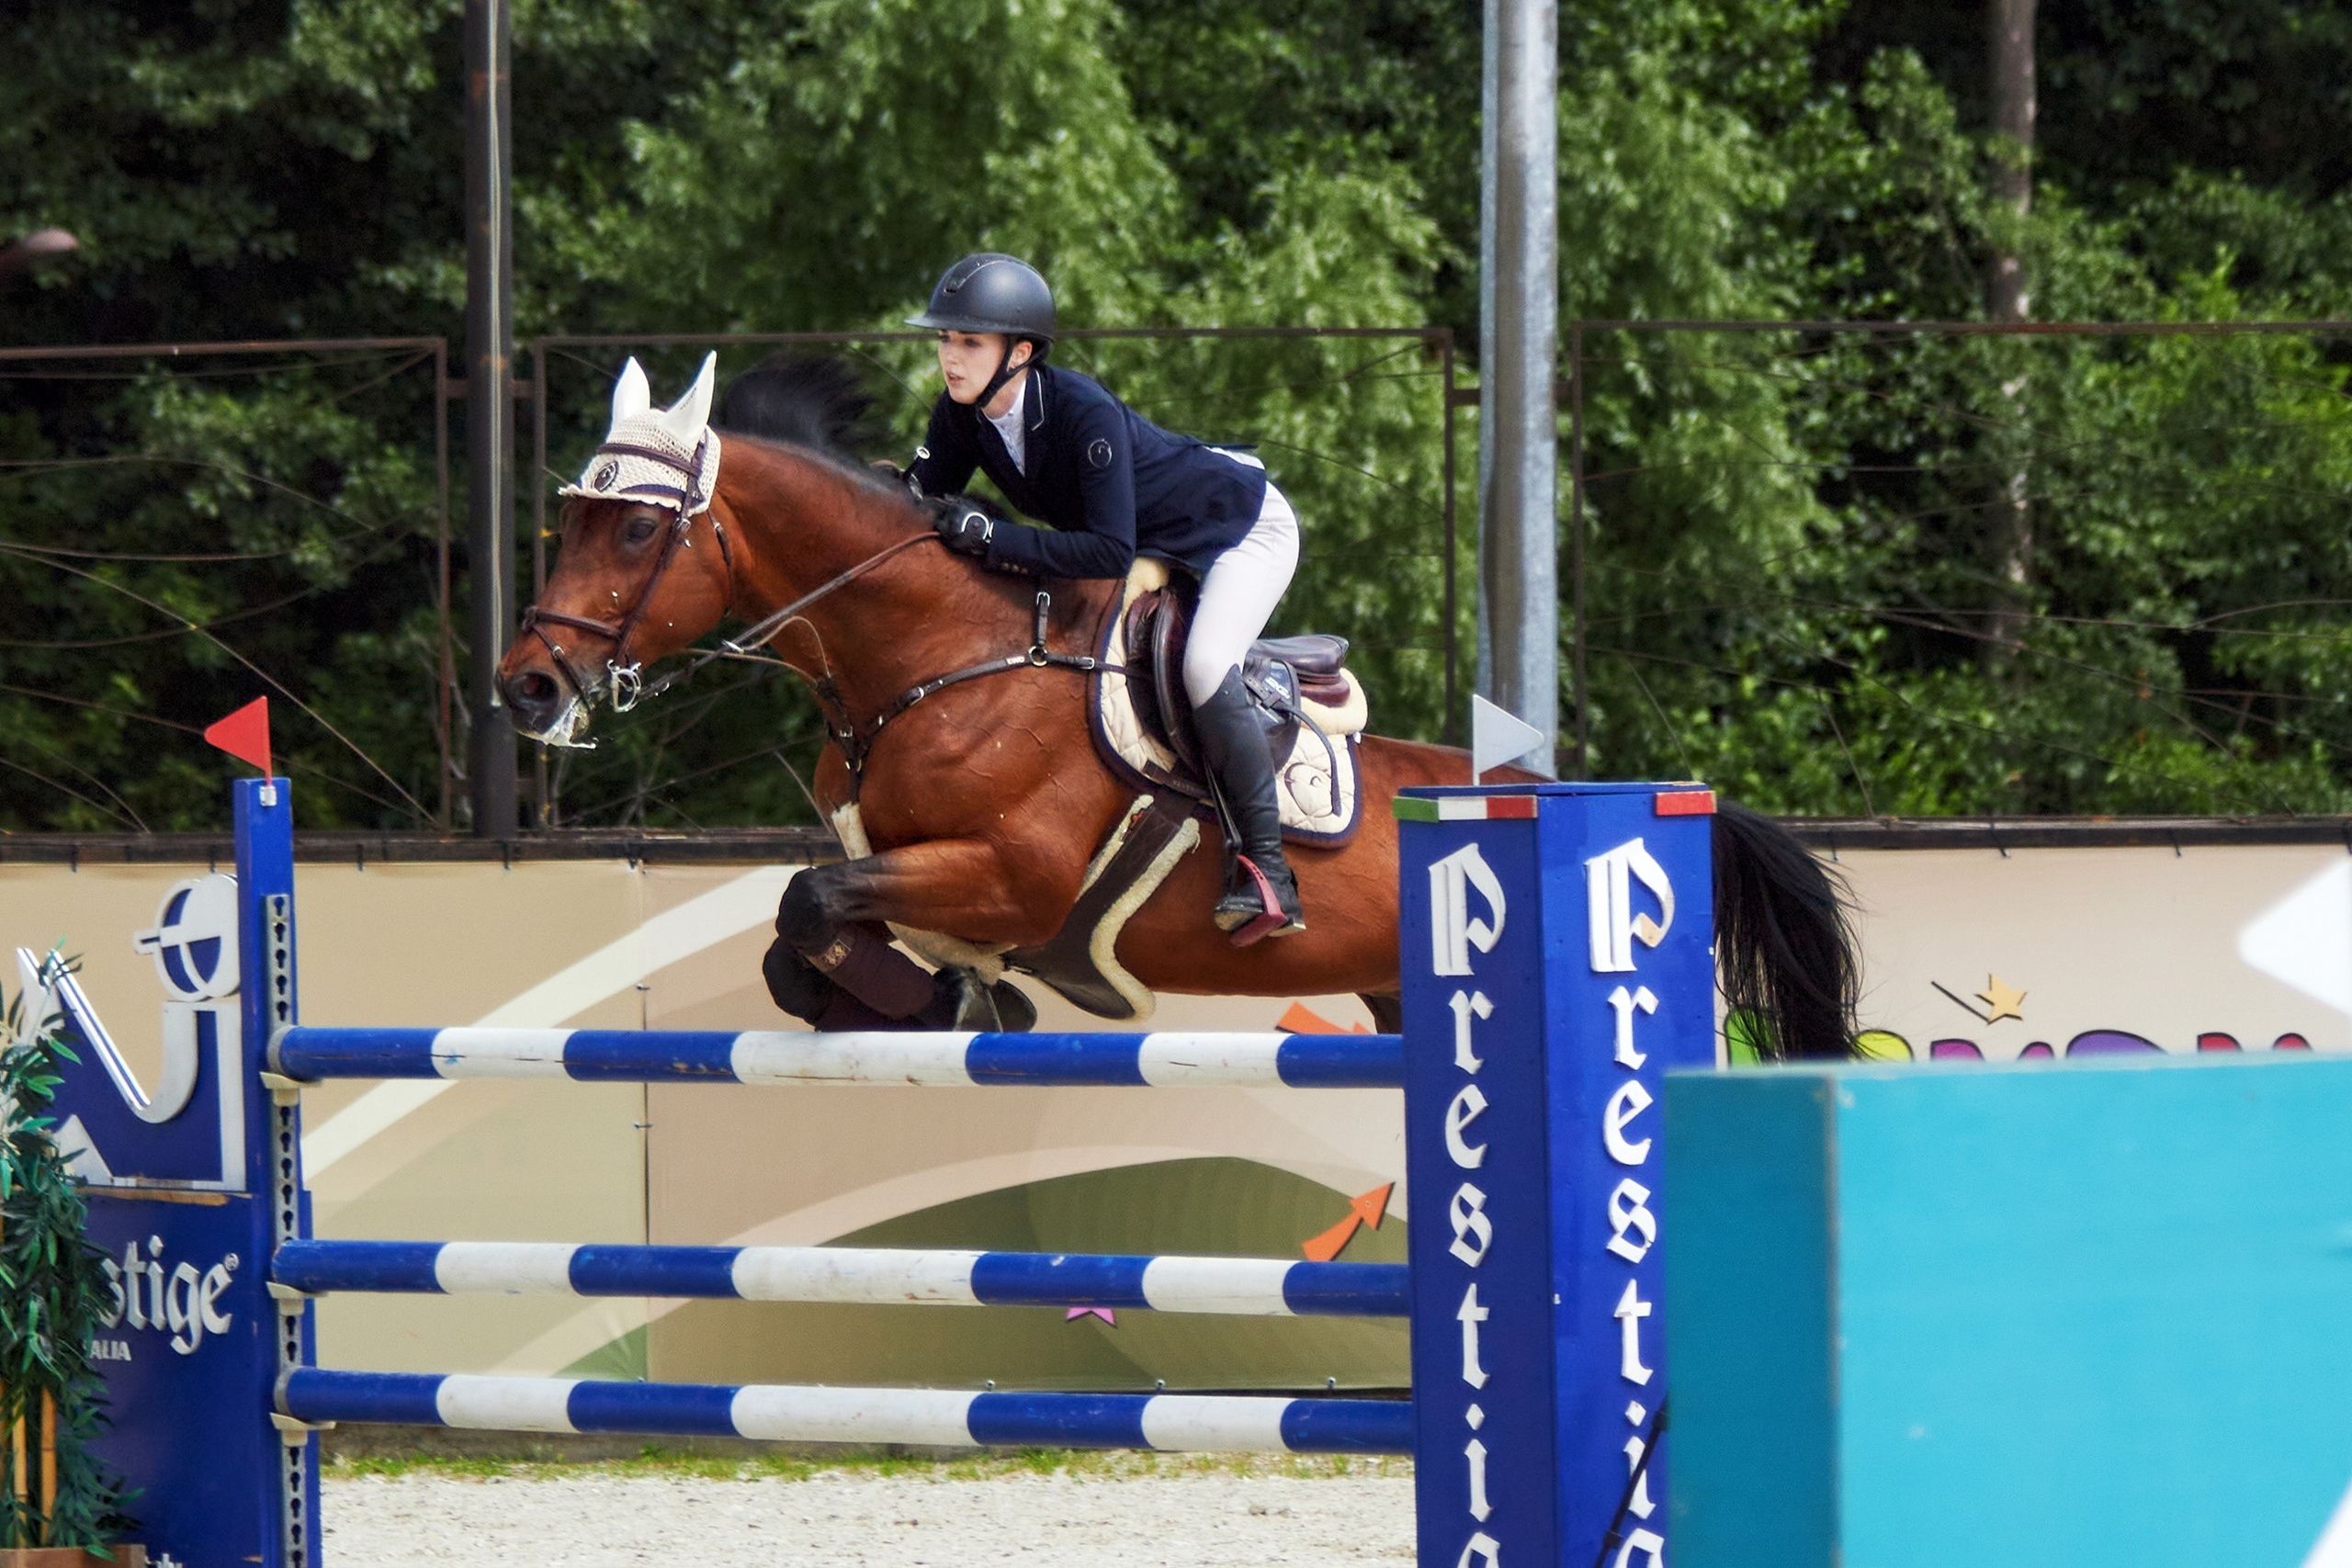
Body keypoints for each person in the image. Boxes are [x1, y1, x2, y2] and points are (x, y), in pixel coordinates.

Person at [903, 253, 1305, 941]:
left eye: (970, 341)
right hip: (1157, 542)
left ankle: (1267, 869)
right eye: (945, 339)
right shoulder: (962, 415)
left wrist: (992, 535)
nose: (951, 356)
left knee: (1205, 664)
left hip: (1241, 530)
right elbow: (920, 500)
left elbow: (1107, 553)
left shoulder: (1081, 413)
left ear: (1020, 353)